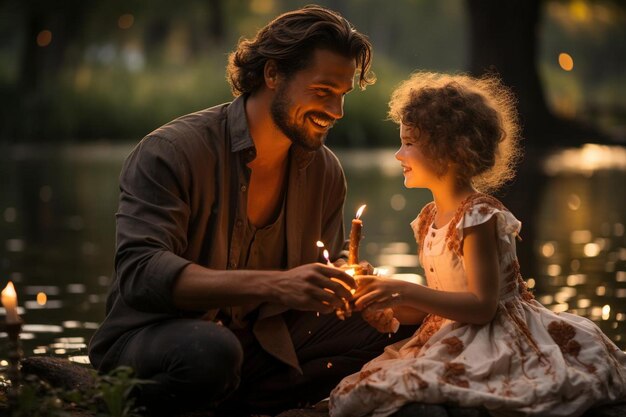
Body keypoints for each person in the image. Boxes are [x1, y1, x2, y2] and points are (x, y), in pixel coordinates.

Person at [88, 5, 417, 417]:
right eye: (322, 92)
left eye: (342, 95)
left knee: (408, 325)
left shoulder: (326, 172)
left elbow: (315, 285)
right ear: (273, 74)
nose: (337, 112)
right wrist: (274, 285)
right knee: (211, 351)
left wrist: (353, 288)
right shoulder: (171, 152)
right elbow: (141, 274)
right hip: (155, 341)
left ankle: (265, 400)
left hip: (263, 346)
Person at [330, 72, 626, 416]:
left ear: (451, 151)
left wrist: (402, 289)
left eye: (409, 143)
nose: (398, 154)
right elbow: (438, 301)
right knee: (369, 389)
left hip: (496, 335)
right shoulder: (428, 218)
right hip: (453, 333)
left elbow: (483, 306)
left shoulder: (479, 215)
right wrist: (386, 306)